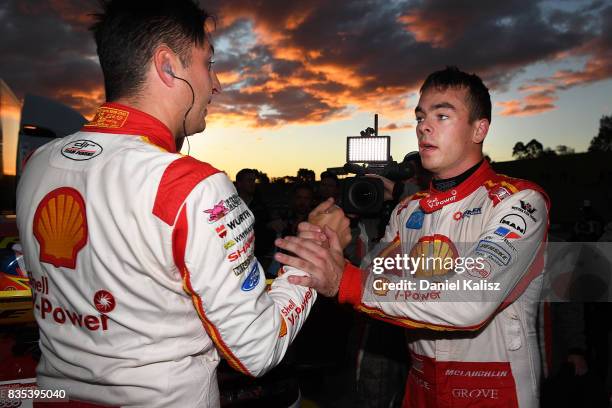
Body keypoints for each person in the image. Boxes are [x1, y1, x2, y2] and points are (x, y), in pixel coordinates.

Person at [15, 1, 346, 406]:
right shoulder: (193, 186)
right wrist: (315, 255)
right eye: (209, 64)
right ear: (167, 65)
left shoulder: (39, 164)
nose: (217, 84)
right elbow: (256, 349)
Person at [275, 66, 550, 407]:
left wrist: (344, 280)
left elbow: (470, 301)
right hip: (419, 387)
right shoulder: (407, 211)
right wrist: (332, 248)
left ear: (479, 129)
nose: (424, 126)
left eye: (442, 115)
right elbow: (375, 281)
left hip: (493, 391)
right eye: (420, 117)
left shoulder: (519, 201)